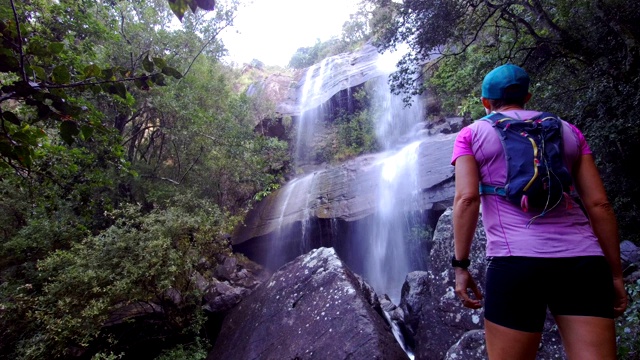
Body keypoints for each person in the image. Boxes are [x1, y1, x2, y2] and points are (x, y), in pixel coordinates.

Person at [450, 64, 628, 359]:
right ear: (528, 96)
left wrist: (460, 266)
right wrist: (616, 276)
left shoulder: (471, 135)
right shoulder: (569, 131)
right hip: (583, 262)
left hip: (515, 263)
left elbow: (467, 199)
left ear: (485, 102)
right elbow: (600, 205)